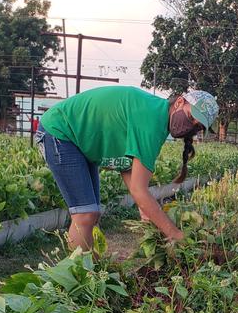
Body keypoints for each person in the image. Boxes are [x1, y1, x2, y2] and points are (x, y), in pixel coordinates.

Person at [37, 86, 219, 251]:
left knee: (93, 215)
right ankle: (78, 279)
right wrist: (175, 235)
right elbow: (139, 191)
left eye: (197, 127)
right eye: (190, 117)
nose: (191, 126)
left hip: (79, 141)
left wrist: (146, 211)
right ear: (179, 102)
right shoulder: (151, 121)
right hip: (61, 132)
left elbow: (129, 167)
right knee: (85, 214)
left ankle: (95, 272)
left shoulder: (157, 115)